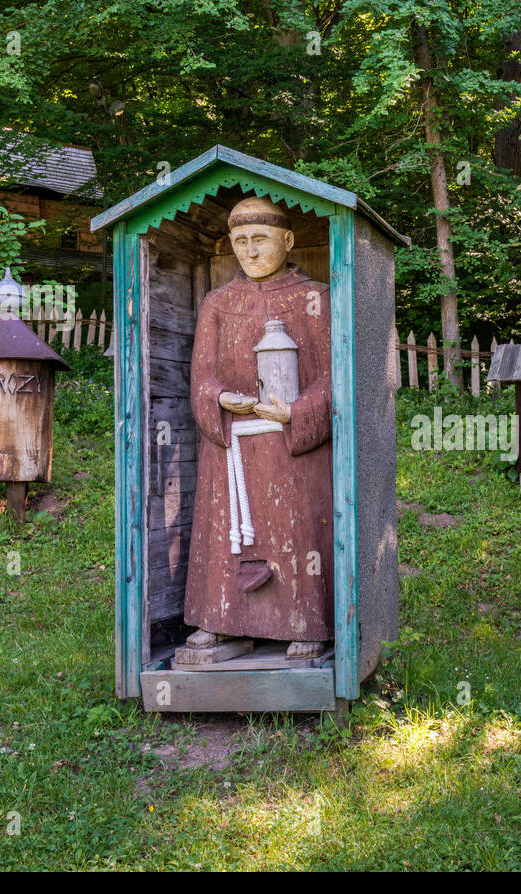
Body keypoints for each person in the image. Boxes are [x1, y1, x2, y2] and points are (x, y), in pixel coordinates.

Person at [182, 197, 333, 660]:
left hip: (292, 449)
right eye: (240, 241)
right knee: (225, 533)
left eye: (260, 240)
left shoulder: (316, 299)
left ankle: (305, 621)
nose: (250, 251)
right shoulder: (218, 303)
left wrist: (297, 412)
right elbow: (201, 377)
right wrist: (220, 399)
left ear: (287, 241)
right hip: (231, 447)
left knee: (297, 529)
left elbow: (334, 376)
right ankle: (221, 619)